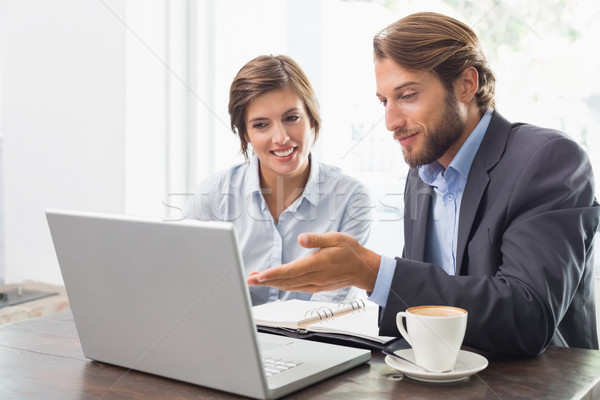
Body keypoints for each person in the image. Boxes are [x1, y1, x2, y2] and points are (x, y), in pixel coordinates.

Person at [247, 12, 600, 356]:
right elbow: (425, 303)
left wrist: (373, 272)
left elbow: (528, 315)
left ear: (466, 84)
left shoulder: (548, 159)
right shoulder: (422, 172)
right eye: (384, 101)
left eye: (408, 95)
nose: (390, 121)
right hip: (437, 374)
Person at [186, 55, 372, 306]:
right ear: (245, 134)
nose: (281, 138)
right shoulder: (213, 196)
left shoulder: (351, 197)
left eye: (291, 118)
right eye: (261, 124)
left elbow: (327, 308)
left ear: (312, 118)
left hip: (317, 341)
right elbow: (197, 293)